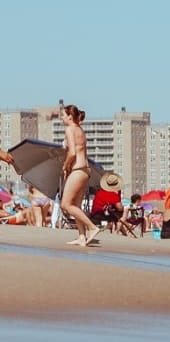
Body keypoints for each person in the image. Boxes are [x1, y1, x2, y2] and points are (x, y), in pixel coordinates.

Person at [60, 104, 102, 246]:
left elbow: (72, 152)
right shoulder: (80, 130)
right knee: (76, 205)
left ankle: (92, 227)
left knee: (66, 204)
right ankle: (82, 236)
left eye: (63, 115)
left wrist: (65, 166)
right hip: (85, 170)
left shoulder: (70, 129)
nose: (62, 117)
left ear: (70, 116)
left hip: (78, 170)